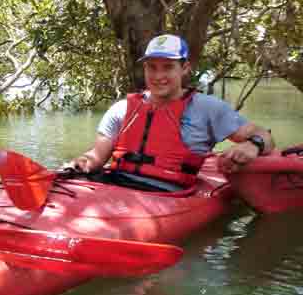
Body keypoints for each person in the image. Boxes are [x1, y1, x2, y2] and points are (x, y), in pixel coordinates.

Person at [68, 34, 274, 191]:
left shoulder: (208, 108)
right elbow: (96, 157)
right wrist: (80, 164)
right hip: (115, 186)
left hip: (168, 193)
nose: (159, 76)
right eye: (152, 67)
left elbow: (264, 136)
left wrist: (253, 145)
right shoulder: (121, 109)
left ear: (184, 68)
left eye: (168, 67)